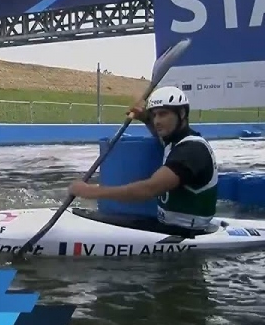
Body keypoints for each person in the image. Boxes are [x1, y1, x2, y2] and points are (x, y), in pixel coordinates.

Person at [67, 86, 219, 236]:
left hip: (187, 232)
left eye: (163, 114)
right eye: (154, 115)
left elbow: (149, 189)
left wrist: (92, 191)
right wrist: (145, 118)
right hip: (168, 226)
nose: (157, 121)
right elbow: (159, 134)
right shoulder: (176, 142)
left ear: (182, 113)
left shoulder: (191, 151)